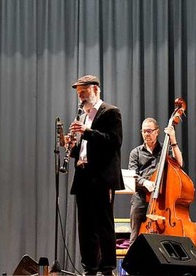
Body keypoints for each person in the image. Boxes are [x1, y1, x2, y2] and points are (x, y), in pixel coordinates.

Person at [65, 75, 124, 276]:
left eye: (84, 92)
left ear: (96, 90)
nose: (80, 96)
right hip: (83, 176)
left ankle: (107, 268)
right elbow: (84, 150)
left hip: (102, 177)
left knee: (103, 224)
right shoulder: (82, 116)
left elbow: (114, 141)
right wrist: (71, 146)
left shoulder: (110, 112)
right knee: (85, 226)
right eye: (78, 93)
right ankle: (89, 267)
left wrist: (87, 132)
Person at [127, 118, 183, 245]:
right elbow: (132, 175)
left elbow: (179, 163)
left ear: (157, 132)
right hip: (141, 198)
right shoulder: (136, 153)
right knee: (135, 238)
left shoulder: (165, 150)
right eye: (144, 131)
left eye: (149, 131)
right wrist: (146, 183)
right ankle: (133, 264)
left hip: (162, 199)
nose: (146, 134)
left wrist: (173, 140)